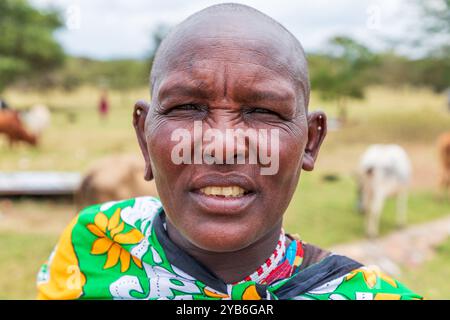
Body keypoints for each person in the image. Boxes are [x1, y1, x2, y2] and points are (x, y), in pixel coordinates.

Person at [37, 3, 422, 300]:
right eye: (187, 107)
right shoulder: (94, 241)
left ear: (310, 141)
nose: (223, 146)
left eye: (263, 111)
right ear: (143, 136)